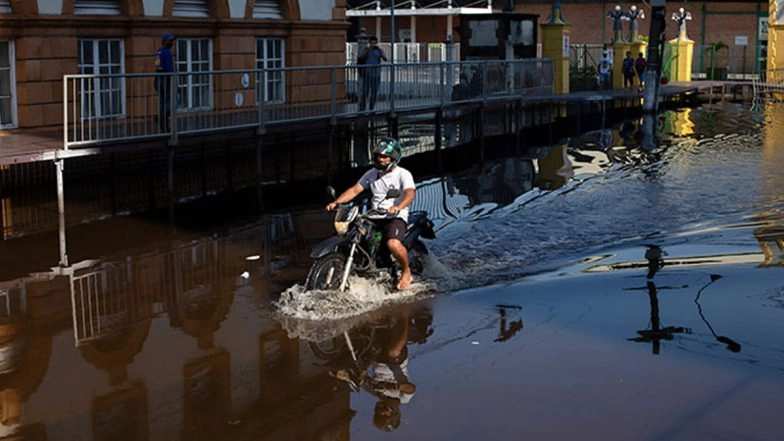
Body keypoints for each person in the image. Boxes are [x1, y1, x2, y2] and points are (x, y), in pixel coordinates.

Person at [326, 137, 416, 290]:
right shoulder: (371, 174)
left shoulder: (403, 174)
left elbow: (409, 194)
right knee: (354, 237)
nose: (381, 159)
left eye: (385, 157)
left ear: (394, 158)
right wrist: (337, 202)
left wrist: (398, 207)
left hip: (394, 217)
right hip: (374, 216)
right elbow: (355, 190)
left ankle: (406, 271)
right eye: (379, 156)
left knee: (392, 243)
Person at [357, 35, 387, 111]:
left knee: (374, 93)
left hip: (376, 74)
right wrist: (368, 50)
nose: (373, 45)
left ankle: (371, 108)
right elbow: (361, 57)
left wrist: (381, 53)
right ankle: (362, 108)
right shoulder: (366, 50)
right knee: (365, 92)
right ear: (369, 43)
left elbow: (385, 58)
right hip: (367, 74)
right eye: (371, 43)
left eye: (374, 43)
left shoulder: (379, 50)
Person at [154, 32, 176, 131]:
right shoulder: (167, 53)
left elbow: (157, 66)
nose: (171, 43)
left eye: (172, 41)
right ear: (164, 41)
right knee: (168, 102)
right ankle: (163, 121)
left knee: (163, 102)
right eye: (169, 41)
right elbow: (169, 68)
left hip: (158, 79)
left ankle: (162, 122)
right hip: (166, 79)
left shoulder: (159, 52)